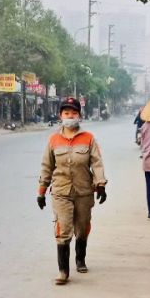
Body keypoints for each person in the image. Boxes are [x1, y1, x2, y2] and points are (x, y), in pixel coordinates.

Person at [37, 96, 107, 284]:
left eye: (74, 113)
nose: (70, 116)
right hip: (61, 192)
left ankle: (80, 258)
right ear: (60, 116)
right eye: (66, 113)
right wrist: (41, 192)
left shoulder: (88, 138)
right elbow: (46, 166)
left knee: (82, 228)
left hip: (84, 191)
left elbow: (97, 163)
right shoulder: (53, 140)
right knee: (63, 229)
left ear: (79, 116)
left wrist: (101, 185)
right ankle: (63, 271)